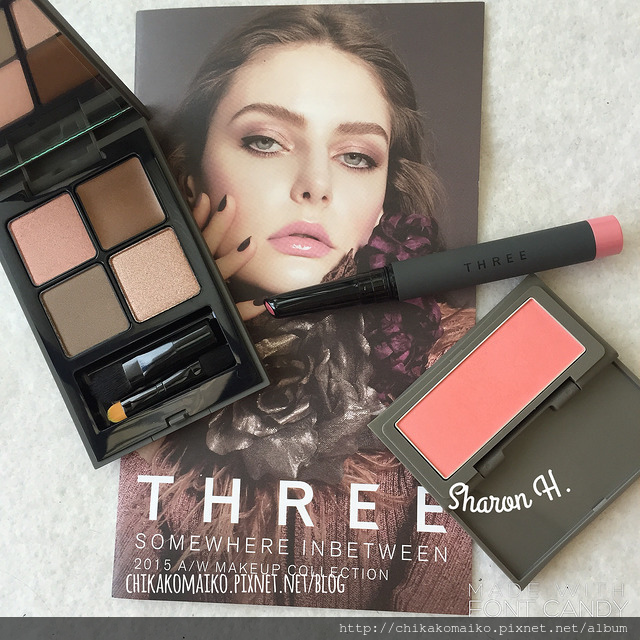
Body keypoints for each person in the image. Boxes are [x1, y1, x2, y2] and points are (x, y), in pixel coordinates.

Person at [113, 5, 473, 612]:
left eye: (356, 157)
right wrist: (185, 325)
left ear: (385, 200)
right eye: (265, 142)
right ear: (191, 167)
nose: (315, 185)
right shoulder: (126, 344)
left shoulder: (450, 365)